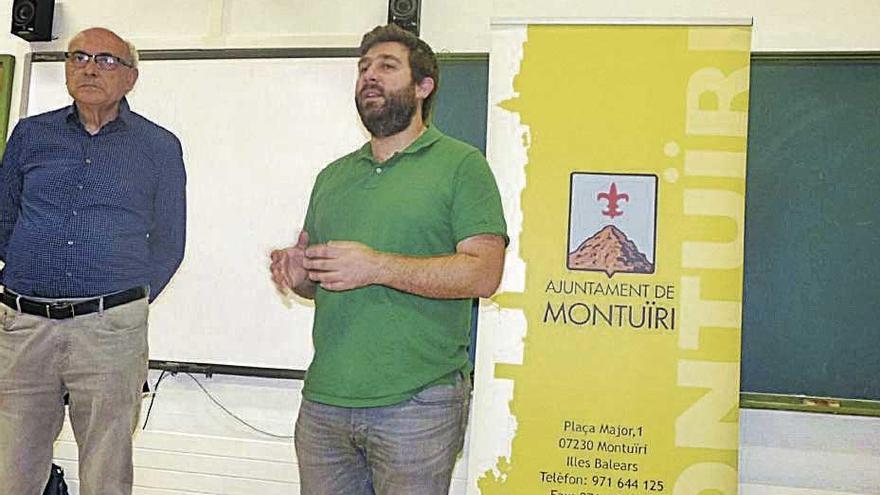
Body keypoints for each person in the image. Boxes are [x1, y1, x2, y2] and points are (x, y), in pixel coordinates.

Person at [270, 24, 508, 495]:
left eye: (386, 66)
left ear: (424, 87)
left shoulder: (462, 165)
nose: (369, 76)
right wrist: (299, 274)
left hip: (418, 403)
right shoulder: (333, 177)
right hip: (325, 402)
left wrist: (376, 265)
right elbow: (321, 282)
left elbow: (484, 271)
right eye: (363, 68)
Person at [0, 27, 186, 495]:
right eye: (78, 56)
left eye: (105, 60)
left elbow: (169, 242)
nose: (87, 67)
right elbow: (4, 219)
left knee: (106, 471)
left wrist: (125, 302)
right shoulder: (30, 135)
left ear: (130, 78)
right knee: (10, 467)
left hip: (110, 332)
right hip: (24, 327)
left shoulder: (158, 147)